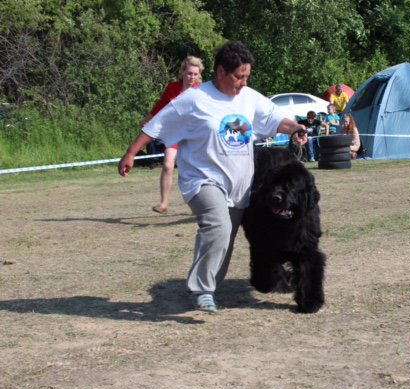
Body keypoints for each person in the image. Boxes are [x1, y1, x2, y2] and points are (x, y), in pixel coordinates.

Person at [118, 41, 305, 313]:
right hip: (202, 180)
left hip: (238, 184)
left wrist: (295, 128)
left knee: (224, 237)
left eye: (246, 76)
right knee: (218, 226)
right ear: (220, 71)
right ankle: (202, 290)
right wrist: (131, 153)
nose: (243, 82)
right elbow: (157, 124)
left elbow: (276, 119)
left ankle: (209, 287)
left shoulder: (249, 97)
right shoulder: (195, 99)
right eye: (238, 76)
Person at [141, 56, 204, 214]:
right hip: (175, 133)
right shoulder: (172, 88)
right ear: (183, 72)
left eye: (195, 74)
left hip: (194, 135)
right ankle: (163, 204)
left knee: (197, 170)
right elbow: (161, 106)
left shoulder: (202, 92)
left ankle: (200, 204)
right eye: (189, 73)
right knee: (168, 165)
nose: (192, 77)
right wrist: (147, 120)